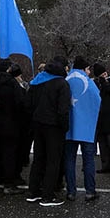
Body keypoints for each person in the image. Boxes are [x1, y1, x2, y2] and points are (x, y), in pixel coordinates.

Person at [26, 57, 71, 207]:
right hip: (54, 126)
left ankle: (33, 191)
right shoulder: (62, 83)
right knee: (53, 160)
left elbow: (28, 103)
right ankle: (48, 195)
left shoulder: (37, 81)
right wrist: (64, 126)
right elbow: (63, 109)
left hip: (37, 123)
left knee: (39, 158)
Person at [64, 56, 101, 202]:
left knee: (69, 160)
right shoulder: (89, 83)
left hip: (69, 127)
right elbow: (98, 100)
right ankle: (90, 191)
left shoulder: (66, 80)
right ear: (84, 69)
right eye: (88, 69)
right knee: (88, 160)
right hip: (87, 127)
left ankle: (71, 191)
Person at [0, 58, 26, 195]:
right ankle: (8, 183)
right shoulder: (12, 83)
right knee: (9, 154)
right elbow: (20, 102)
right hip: (10, 123)